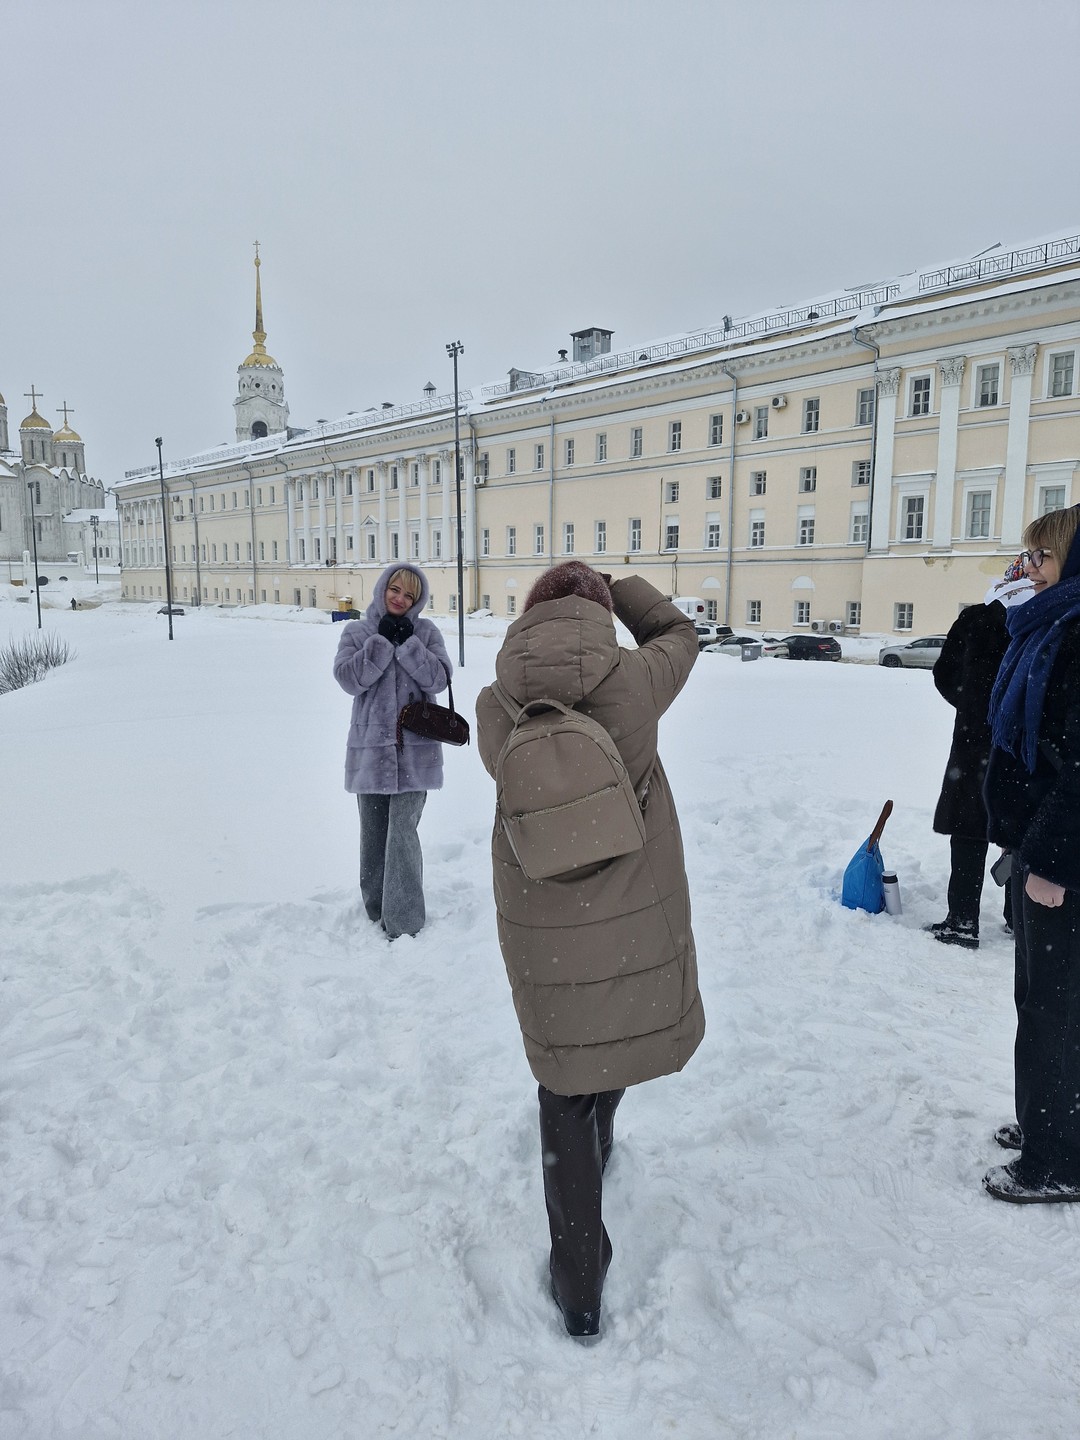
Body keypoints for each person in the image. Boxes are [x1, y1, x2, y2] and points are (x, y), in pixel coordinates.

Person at [475, 562, 705, 1337]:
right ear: (597, 612)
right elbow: (681, 633)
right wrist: (620, 586)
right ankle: (602, 1148)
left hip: (543, 920)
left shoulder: (494, 703)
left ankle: (579, 1284)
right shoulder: (635, 682)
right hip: (630, 909)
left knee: (564, 1078)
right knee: (614, 1031)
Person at [983, 505, 1080, 1203]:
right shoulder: (1049, 625)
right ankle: (1047, 1122)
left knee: (1057, 1007)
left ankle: (1059, 1156)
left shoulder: (1073, 633)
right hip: (1042, 841)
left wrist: (1051, 859)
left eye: (1043, 557)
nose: (1029, 569)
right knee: (1042, 998)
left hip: (1063, 856)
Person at [332, 564, 451, 940]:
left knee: (402, 833)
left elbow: (440, 679)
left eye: (409, 596)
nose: (400, 599)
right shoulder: (358, 631)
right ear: (383, 588)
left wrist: (410, 646)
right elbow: (349, 680)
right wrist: (382, 644)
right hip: (370, 755)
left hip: (416, 755)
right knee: (374, 833)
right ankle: (375, 909)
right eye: (395, 590)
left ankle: (405, 921)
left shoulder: (426, 633)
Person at [926, 595, 1011, 948]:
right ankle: (1020, 919)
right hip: (1025, 744)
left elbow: (945, 674)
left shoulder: (976, 618)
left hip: (974, 744)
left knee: (968, 833)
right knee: (1019, 833)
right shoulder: (1044, 614)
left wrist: (973, 704)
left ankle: (962, 921)